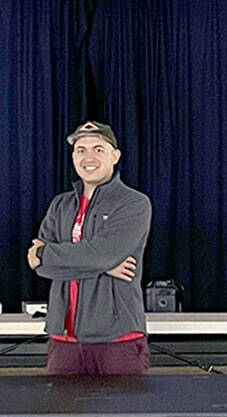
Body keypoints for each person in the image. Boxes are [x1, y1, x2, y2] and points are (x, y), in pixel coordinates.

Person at [26, 120, 152, 375]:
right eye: (81, 150)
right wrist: (104, 267)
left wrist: (47, 255)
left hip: (117, 340)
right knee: (62, 414)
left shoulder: (134, 203)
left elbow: (101, 254)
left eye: (98, 149)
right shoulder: (60, 205)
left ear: (115, 156)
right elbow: (38, 267)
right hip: (63, 341)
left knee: (123, 415)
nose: (88, 157)